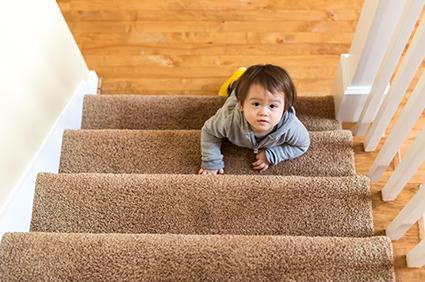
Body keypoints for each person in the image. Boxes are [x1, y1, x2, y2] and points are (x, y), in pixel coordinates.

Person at [198, 64, 310, 175]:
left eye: (272, 106)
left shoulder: (291, 127)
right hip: (235, 97)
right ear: (241, 105)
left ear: (284, 110)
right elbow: (209, 131)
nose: (263, 113)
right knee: (236, 87)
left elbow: (302, 145)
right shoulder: (228, 119)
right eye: (256, 104)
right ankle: (236, 79)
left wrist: (273, 155)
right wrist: (211, 161)